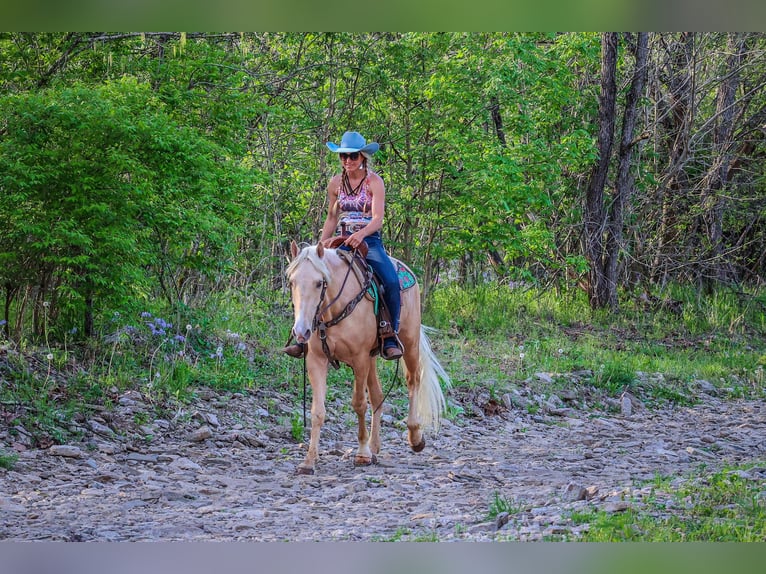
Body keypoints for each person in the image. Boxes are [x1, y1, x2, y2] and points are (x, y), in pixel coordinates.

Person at [284, 131, 403, 360]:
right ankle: (304, 338)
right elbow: (331, 217)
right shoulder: (336, 183)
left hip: (369, 239)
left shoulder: (374, 182)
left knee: (390, 280)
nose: (348, 161)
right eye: (343, 157)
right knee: (312, 280)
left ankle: (389, 334)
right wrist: (321, 245)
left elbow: (378, 218)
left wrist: (361, 234)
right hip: (342, 238)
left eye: (352, 156)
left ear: (362, 157)